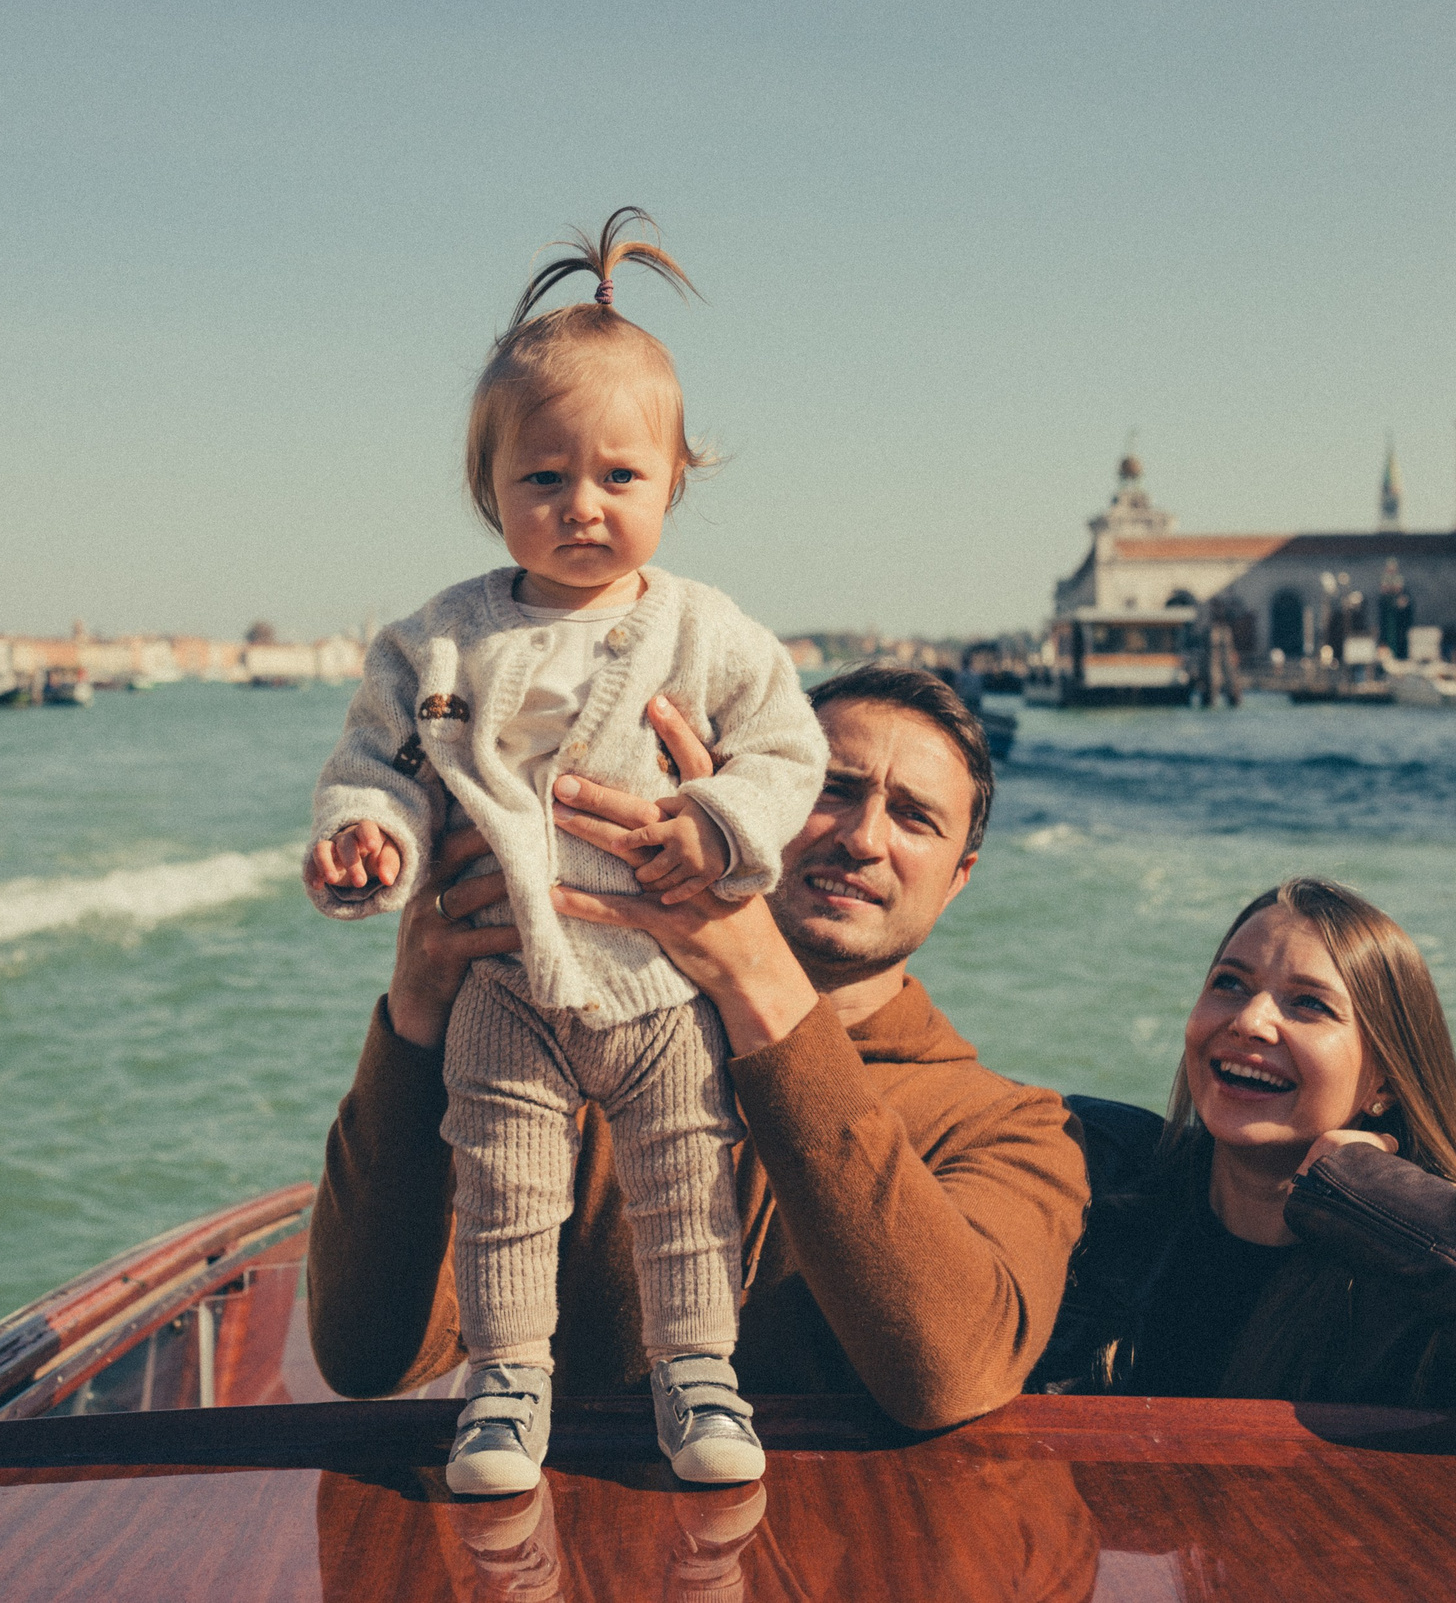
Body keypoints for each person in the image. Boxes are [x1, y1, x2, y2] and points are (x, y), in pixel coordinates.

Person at [303, 211, 830, 1493]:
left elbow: (784, 752)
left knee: (685, 1184)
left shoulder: (706, 632)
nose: (579, 507)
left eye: (617, 479)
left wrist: (717, 822)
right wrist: (367, 834)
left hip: (658, 985)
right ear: (489, 490)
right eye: (542, 479)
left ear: (673, 483)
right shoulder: (438, 641)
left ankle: (698, 1375)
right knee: (504, 1191)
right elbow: (380, 762)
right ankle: (502, 1389)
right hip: (505, 986)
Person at [306, 665, 1090, 1456]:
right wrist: (416, 1018)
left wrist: (758, 978)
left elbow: (947, 1377)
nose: (863, 838)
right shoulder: (576, 1058)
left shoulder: (1015, 1127)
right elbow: (367, 1353)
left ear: (958, 881)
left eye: (916, 818)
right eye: (831, 788)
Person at [1030, 877, 1456, 1431]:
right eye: (1229, 984)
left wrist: (1362, 1186)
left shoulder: (1425, 1284)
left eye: (1309, 1004)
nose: (1249, 1020)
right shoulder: (1102, 1171)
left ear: (1384, 1082)